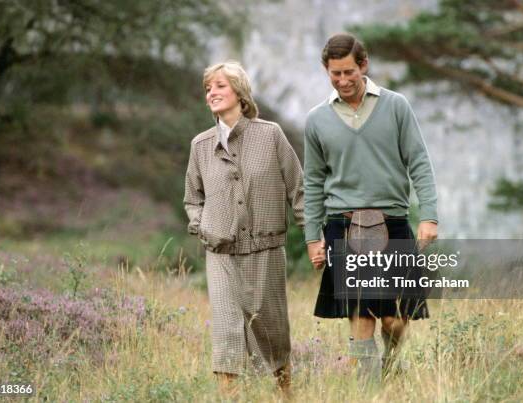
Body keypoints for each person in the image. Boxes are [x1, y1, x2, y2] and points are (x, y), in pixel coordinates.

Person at [304, 33, 438, 378]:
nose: (343, 80)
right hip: (343, 225)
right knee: (361, 314)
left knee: (395, 319)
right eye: (336, 73)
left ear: (363, 66)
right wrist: (312, 237)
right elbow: (313, 182)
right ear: (326, 71)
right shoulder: (317, 119)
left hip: (392, 221)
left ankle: (391, 365)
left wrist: (429, 216)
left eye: (349, 71)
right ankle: (370, 389)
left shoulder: (396, 106)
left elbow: (419, 162)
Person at [184, 61, 304, 396]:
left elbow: (299, 189)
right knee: (226, 336)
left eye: (219, 86)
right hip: (220, 253)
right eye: (208, 88)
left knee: (273, 335)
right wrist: (202, 225)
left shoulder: (271, 135)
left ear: (239, 91)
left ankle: (286, 394)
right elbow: (192, 198)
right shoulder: (200, 145)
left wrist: (312, 236)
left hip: (267, 252)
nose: (212, 93)